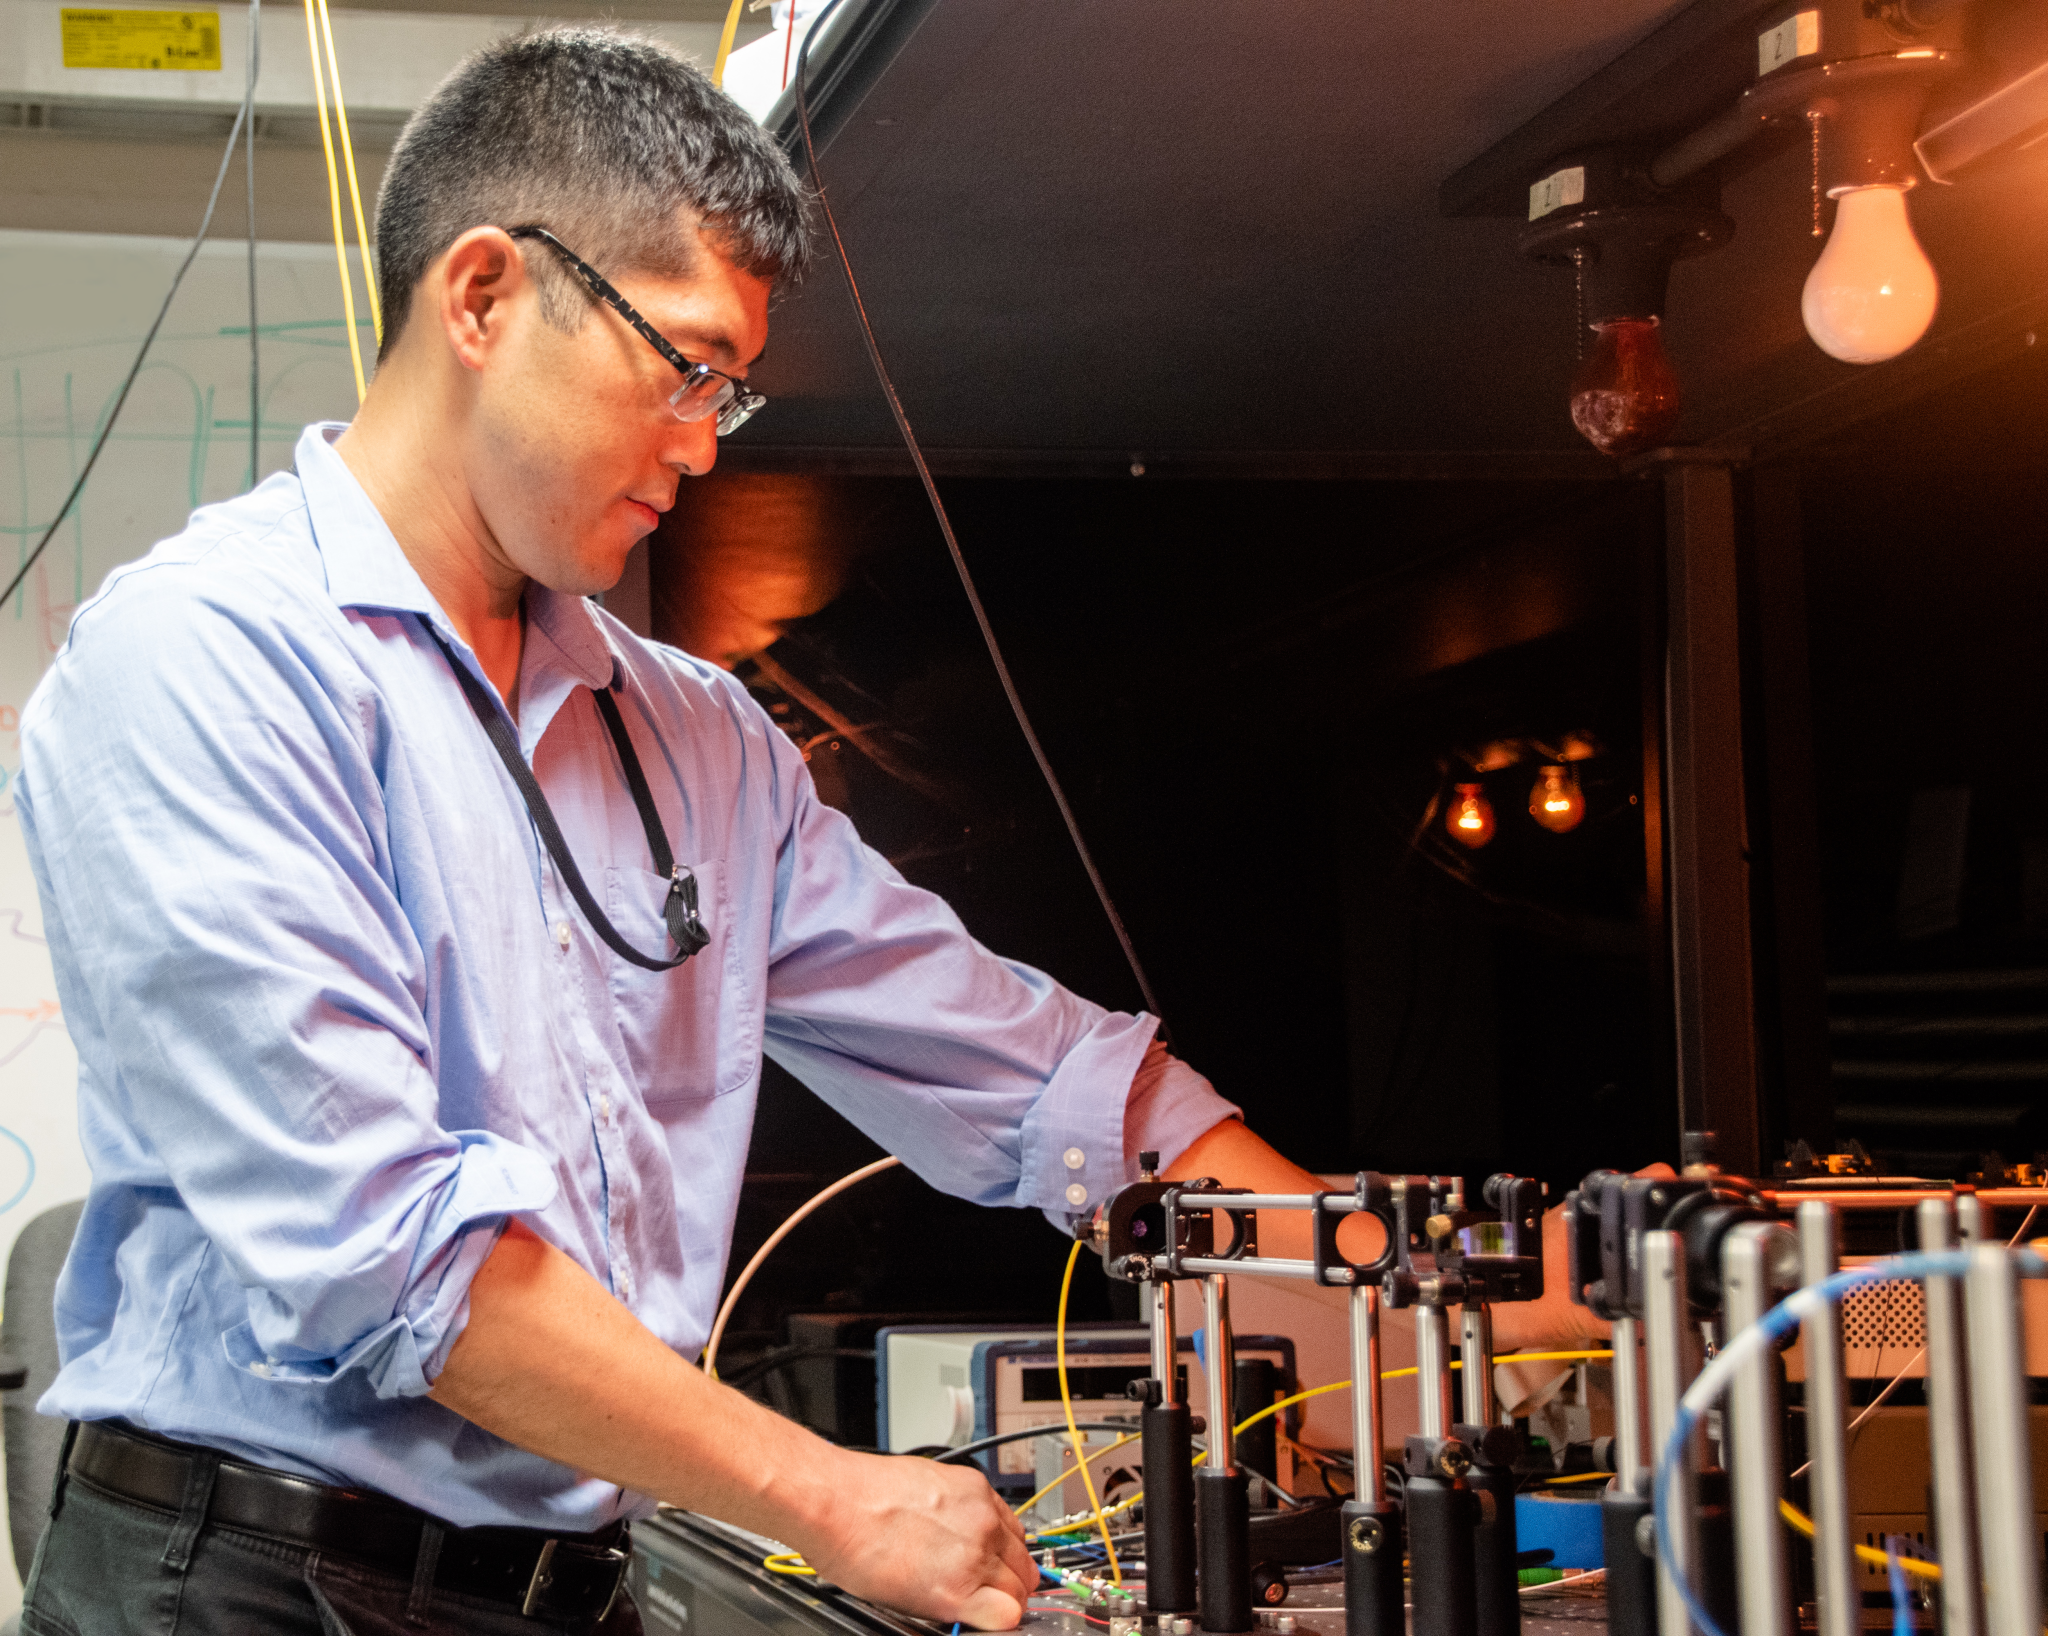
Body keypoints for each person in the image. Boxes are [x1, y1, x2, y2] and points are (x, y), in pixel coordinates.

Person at [13, 28, 1599, 1636]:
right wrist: (827, 1495)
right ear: (483, 297)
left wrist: (1384, 1283)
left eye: (735, 388)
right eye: (682, 366)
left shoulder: (695, 737)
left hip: (568, 1588)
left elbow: (1027, 1071)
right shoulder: (209, 664)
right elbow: (391, 1262)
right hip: (240, 1586)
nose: (707, 443)